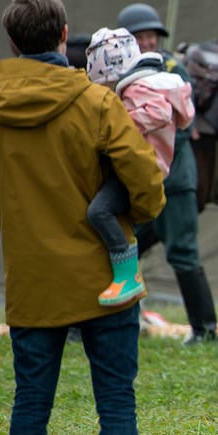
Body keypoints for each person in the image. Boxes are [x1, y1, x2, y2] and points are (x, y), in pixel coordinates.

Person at [0, 0, 165, 435]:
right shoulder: (96, 103)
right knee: (116, 407)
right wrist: (134, 215)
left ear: (11, 41)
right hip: (107, 279)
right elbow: (146, 183)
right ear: (64, 34)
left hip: (30, 278)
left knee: (31, 406)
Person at [117, 2, 218, 345]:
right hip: (138, 184)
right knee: (120, 247)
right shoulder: (119, 71)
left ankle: (205, 331)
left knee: (183, 252)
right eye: (140, 37)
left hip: (173, 182)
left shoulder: (170, 69)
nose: (147, 42)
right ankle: (114, 322)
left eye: (151, 36)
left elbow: (172, 121)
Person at [84, 27, 195, 307]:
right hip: (150, 166)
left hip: (144, 167)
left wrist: (118, 127)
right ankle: (125, 273)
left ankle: (127, 275)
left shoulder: (136, 88)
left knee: (99, 211)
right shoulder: (146, 85)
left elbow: (158, 113)